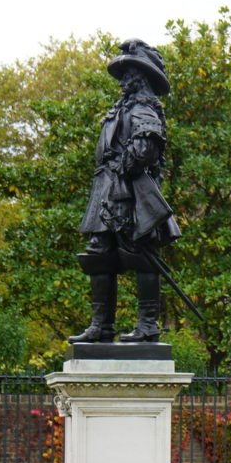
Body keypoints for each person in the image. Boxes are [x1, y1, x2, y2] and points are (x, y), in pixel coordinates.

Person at [68, 39, 180, 344]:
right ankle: (101, 326)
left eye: (130, 70)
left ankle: (148, 326)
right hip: (106, 191)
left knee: (140, 255)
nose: (124, 77)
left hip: (128, 194)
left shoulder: (144, 109)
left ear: (141, 76)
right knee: (99, 255)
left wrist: (122, 167)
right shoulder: (121, 109)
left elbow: (146, 147)